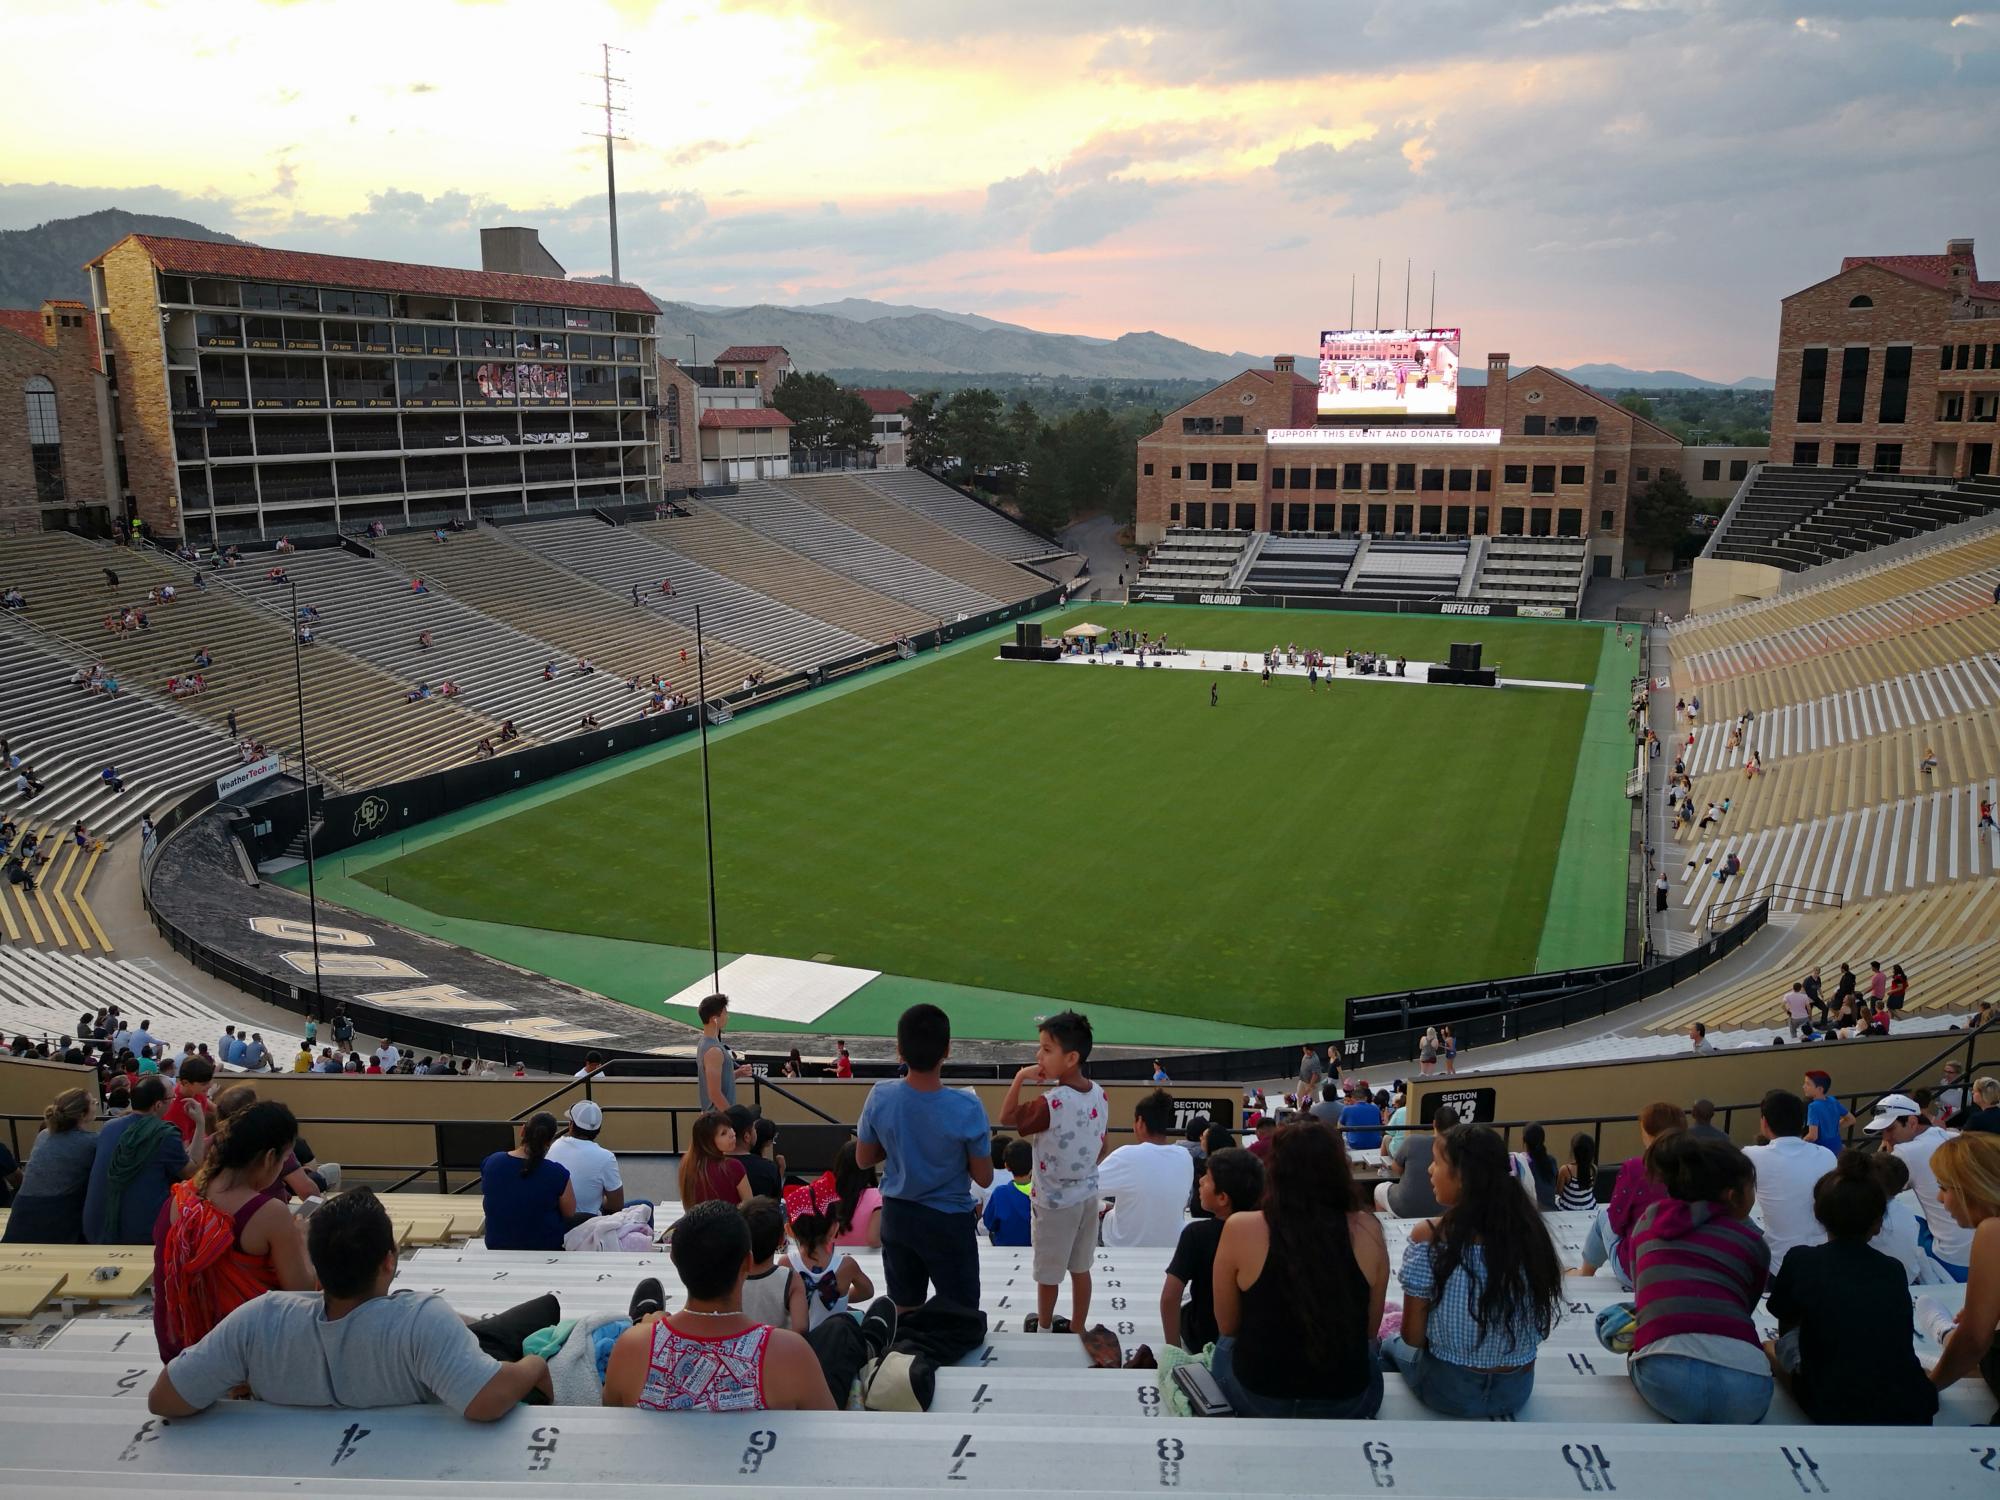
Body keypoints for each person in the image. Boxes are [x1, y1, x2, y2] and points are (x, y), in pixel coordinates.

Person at [148, 1188, 555, 1421]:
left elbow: (163, 1399)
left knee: (497, 1326)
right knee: (542, 1312)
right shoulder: (421, 1320)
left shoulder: (260, 1318)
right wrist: (534, 1365)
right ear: (389, 1260)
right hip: (451, 1369)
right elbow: (486, 1402)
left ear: (317, 1270)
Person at [1385, 1125, 1565, 1418]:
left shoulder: (1429, 1238)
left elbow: (1413, 1338)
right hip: (1516, 1389)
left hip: (1447, 1390)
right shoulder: (1531, 1234)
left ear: (1463, 1176)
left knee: (1389, 1344)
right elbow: (1539, 1328)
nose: (1430, 1170)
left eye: (1437, 1162)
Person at [1211, 1123, 1387, 1418]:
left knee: (1226, 1345)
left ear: (1275, 1172)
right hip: (1349, 1399)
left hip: (1258, 1395)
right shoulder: (1368, 1228)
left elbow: (1228, 1327)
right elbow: (1369, 1331)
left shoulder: (1240, 1227)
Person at [601, 1200, 834, 1412]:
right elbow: (829, 1439)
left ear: (674, 1259)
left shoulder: (631, 1348)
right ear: (748, 1263)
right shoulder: (792, 1354)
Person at [1763, 1149, 1938, 1425]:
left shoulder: (1801, 1260)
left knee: (1771, 1345)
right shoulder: (1892, 1270)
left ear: (1818, 1215)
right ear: (1878, 1224)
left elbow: (1785, 1322)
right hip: (1908, 1404)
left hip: (1832, 1404)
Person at [1622, 1131, 1774, 1425]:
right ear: (1732, 1196)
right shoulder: (1752, 1241)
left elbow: (1642, 1297)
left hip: (1666, 1380)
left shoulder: (1646, 1224)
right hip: (1747, 1392)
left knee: (1631, 1336)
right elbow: (1744, 1307)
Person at [856, 1003, 992, 1310]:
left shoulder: (880, 1095)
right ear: (947, 1050)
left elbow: (863, 1159)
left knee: (904, 1310)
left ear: (899, 1051)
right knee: (960, 1314)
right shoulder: (967, 1107)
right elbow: (984, 1176)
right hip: (949, 1223)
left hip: (899, 1217)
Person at [155, 1100, 316, 1361]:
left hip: (179, 1348)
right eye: (284, 1159)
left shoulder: (180, 1198)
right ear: (268, 1158)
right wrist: (303, 1240)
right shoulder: (270, 1213)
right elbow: (302, 1294)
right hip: (241, 1356)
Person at [999, 1010, 1108, 1332]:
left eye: (1047, 1050)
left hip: (1054, 1203)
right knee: (1081, 1268)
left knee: (1048, 1274)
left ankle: (1044, 1328)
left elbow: (1006, 1117)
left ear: (1071, 1057)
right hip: (1088, 1196)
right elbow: (1102, 1147)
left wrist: (1021, 1077)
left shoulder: (1052, 1102)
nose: (1039, 1057)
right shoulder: (1100, 1094)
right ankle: (1077, 1327)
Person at [1923, 1132, 2000, 1405]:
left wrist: (1928, 1389)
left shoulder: (1993, 1230)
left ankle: (1943, 1333)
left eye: (1944, 1187)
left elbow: (1974, 1340)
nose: (1940, 1199)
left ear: (1972, 1187)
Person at [1162, 1146, 1262, 1354]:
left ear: (1222, 1198)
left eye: (1207, 1178)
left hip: (1204, 1338)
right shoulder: (1265, 1232)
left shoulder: (1197, 1234)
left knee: (1186, 1308)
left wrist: (1174, 1351)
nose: (1200, 1181)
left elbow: (1170, 1297)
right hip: (1252, 1341)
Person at [1576, 1102, 1686, 1287]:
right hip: (1682, 1268)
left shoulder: (1637, 1169)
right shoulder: (1695, 1169)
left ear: (1648, 1133)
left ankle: (1584, 1274)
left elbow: (1616, 1222)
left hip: (1638, 1272)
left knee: (1604, 1216)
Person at [1866, 1093, 1973, 1281]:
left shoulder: (1906, 1152)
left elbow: (1870, 1187)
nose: (1886, 1138)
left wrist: (1886, 1152)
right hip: (1983, 1250)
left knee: (1892, 1219)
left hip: (1953, 1259)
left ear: (1913, 1122)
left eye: (1890, 1129)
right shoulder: (1950, 1136)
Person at [84, 1076, 193, 1244]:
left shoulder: (108, 1127)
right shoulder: (165, 1134)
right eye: (171, 1098)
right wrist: (200, 1125)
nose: (173, 1101)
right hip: (139, 1233)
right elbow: (191, 1172)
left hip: (96, 1225)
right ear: (158, 1105)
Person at [1096, 1088, 1195, 1249]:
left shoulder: (1126, 1155)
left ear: (1140, 1122)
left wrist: (1103, 1207)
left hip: (1123, 1243)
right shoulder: (1184, 1156)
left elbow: (1084, 1191)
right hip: (1173, 1242)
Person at [1744, 1089, 1830, 1275]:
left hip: (1777, 1265)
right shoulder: (1826, 1155)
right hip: (1824, 1260)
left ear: (1764, 1122)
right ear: (1803, 1123)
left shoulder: (1751, 1156)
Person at [1, 1088, 98, 1242]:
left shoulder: (44, 1135)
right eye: (93, 1102)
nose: (96, 1104)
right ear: (82, 1114)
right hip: (58, 1219)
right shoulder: (92, 1142)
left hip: (22, 1213)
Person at [480, 1113, 573, 1250]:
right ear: (549, 1141)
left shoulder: (492, 1162)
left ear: (522, 1130)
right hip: (545, 1247)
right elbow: (569, 1213)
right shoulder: (558, 1173)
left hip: (497, 1244)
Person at [785, 1206, 875, 1332]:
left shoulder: (786, 1263)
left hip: (799, 1345)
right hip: (837, 1344)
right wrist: (840, 1297)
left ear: (789, 1230)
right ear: (834, 1228)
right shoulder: (846, 1265)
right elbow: (868, 1292)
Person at [738, 1196, 808, 1334]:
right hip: (777, 1351)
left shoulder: (730, 1278)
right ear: (782, 1239)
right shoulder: (790, 1279)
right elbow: (800, 1327)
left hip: (735, 1351)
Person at [1376, 1104, 1458, 1218]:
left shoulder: (1413, 1141)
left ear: (1434, 1124)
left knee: (1378, 1189)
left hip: (1406, 1208)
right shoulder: (1463, 1148)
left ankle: (1387, 1228)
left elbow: (1396, 1168)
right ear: (1457, 1125)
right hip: (1447, 1210)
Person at [547, 1100, 624, 1221]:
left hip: (556, 1222)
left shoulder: (556, 1145)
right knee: (645, 1204)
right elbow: (616, 1205)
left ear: (571, 1125)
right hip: (588, 1224)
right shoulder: (606, 1157)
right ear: (598, 1129)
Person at [678, 1111, 752, 1208]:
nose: (732, 1134)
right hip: (731, 1221)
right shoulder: (733, 1166)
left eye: (730, 1128)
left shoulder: (687, 1165)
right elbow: (750, 1205)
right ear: (709, 1141)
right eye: (723, 1133)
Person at [695, 994, 750, 1112]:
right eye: (725, 1013)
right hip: (720, 1120)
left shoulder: (706, 1043)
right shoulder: (713, 1050)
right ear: (715, 1019)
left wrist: (738, 1073)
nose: (727, 1016)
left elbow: (719, 1081)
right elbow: (714, 1093)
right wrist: (733, 1118)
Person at [981, 1138, 1033, 1246]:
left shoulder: (999, 1194)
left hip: (1004, 1248)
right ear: (1034, 1164)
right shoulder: (1042, 1194)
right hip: (1034, 1248)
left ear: (1007, 1166)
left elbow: (989, 1223)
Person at [724, 1105, 783, 1200]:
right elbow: (775, 1205)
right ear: (747, 1137)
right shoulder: (768, 1169)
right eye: (754, 1128)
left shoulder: (709, 1167)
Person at [1801, 1071, 1851, 1154]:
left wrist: (1800, 1143)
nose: (1803, 1087)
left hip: (1821, 1150)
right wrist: (1832, 1127)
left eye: (1808, 1084)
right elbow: (1850, 1120)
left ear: (1820, 1089)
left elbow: (1813, 1136)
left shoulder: (1813, 1106)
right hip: (1837, 1146)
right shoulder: (1833, 1100)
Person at [1555, 1132, 1599, 1211]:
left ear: (1574, 1151)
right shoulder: (1593, 1169)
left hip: (1568, 1208)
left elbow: (1559, 1191)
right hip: (1590, 1206)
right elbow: (1591, 1187)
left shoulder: (1565, 1170)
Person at [1338, 1080, 1384, 1152]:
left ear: (1352, 1099)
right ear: (1365, 1098)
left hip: (1355, 1144)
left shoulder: (1347, 1109)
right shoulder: (1375, 1108)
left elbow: (1340, 1126)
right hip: (1376, 1143)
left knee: (1342, 1131)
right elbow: (1380, 1125)